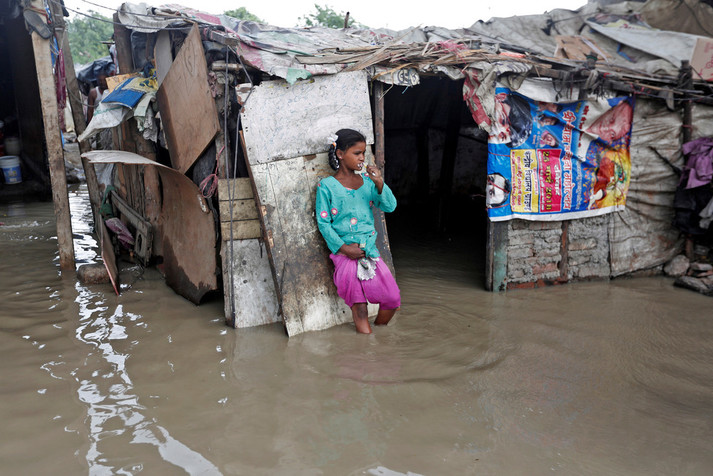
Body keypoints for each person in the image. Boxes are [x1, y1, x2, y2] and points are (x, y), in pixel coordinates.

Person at [315, 129, 400, 334]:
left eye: (363, 153)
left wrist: (379, 182)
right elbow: (324, 223)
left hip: (369, 252)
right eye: (357, 153)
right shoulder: (326, 186)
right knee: (359, 308)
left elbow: (390, 206)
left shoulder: (369, 183)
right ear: (340, 154)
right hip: (345, 254)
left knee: (392, 299)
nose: (362, 157)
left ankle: (379, 338)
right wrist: (345, 249)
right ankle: (366, 347)